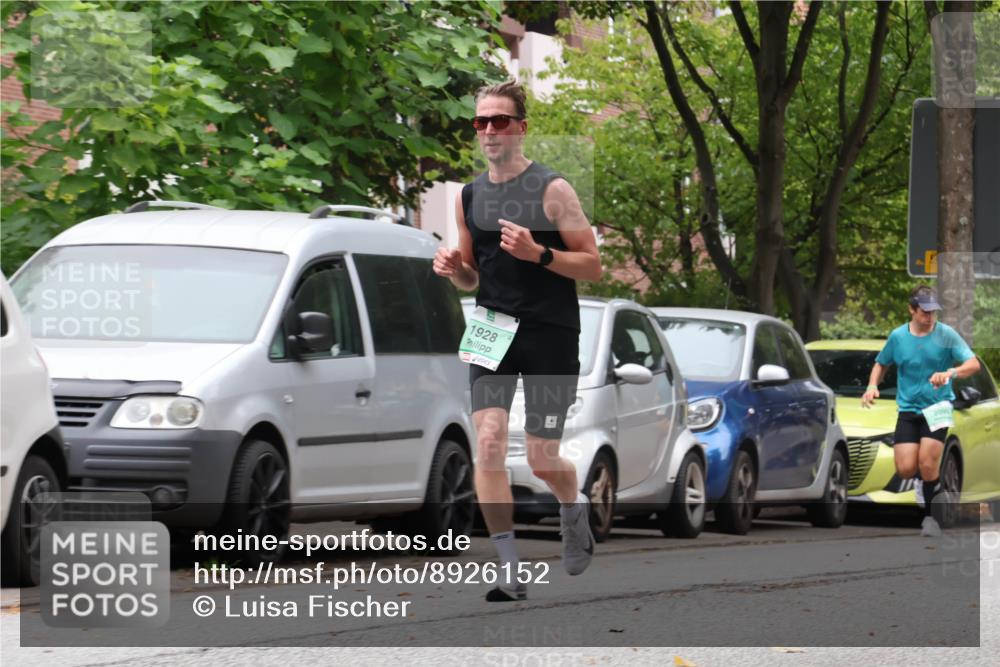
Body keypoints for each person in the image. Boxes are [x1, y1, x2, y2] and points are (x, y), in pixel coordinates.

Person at [433, 80, 602, 601]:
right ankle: (509, 570)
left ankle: (573, 509)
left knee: (540, 458)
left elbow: (593, 266)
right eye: (480, 122)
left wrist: (540, 256)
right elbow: (472, 278)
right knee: (485, 443)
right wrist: (453, 269)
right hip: (490, 328)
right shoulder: (467, 196)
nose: (488, 130)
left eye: (499, 120)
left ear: (521, 128)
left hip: (550, 332)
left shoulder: (554, 190)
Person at [861, 285, 980, 537]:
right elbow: (881, 364)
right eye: (924, 312)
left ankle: (930, 519)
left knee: (928, 462)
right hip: (908, 409)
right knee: (905, 468)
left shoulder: (946, 335)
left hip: (938, 408)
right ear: (912, 310)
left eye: (933, 312)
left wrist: (950, 373)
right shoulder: (898, 337)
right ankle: (922, 482)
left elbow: (973, 364)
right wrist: (872, 386)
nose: (929, 317)